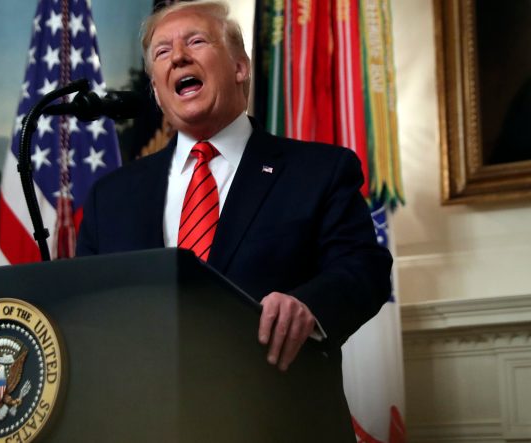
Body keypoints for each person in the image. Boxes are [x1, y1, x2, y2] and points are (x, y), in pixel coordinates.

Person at [76, 1, 391, 437]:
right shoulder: (110, 198)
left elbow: (366, 269)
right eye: (163, 53)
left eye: (196, 41)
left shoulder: (318, 171)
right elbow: (90, 314)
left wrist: (309, 306)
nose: (179, 57)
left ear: (240, 67)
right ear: (155, 89)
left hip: (278, 425)